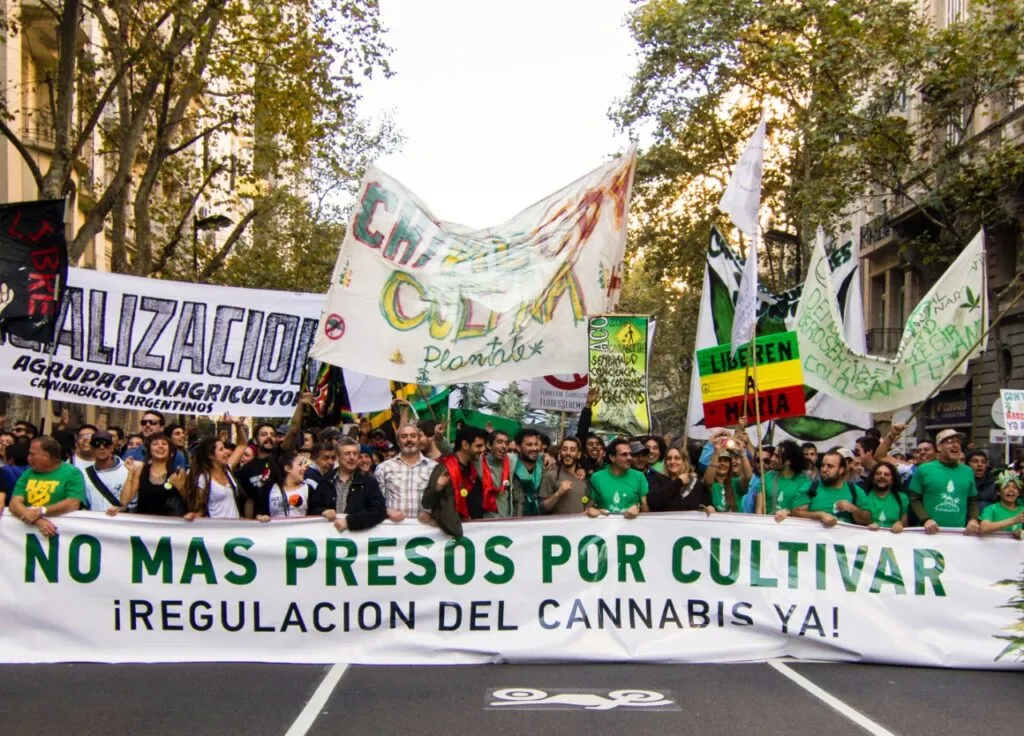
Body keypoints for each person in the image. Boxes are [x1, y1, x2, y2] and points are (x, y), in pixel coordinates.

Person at [8, 437, 87, 537]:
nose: (28, 457)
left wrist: (42, 511)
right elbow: (14, 503)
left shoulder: (72, 473)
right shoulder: (28, 473)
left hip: (60, 534)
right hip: (29, 534)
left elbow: (72, 503)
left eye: (32, 454)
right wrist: (38, 520)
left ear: (45, 456)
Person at [908, 429, 979, 535]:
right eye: (950, 442)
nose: (955, 445)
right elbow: (914, 499)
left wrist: (973, 519)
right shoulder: (924, 469)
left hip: (959, 534)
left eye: (958, 442)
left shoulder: (968, 471)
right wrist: (925, 519)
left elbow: (972, 501)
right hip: (930, 533)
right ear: (939, 447)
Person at [308, 436, 387, 531]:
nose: (352, 457)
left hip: (359, 538)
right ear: (338, 457)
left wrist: (349, 522)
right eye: (347, 454)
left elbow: (378, 511)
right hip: (329, 537)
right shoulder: (326, 480)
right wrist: (322, 511)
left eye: (355, 453)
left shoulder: (369, 482)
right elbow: (312, 508)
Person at [182, 419, 250, 520]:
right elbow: (199, 509)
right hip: (216, 530)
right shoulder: (203, 478)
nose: (226, 452)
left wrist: (237, 425)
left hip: (235, 528)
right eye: (221, 449)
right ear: (211, 455)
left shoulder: (227, 470)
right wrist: (193, 516)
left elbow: (242, 445)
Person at [374, 423, 436, 522]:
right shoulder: (384, 468)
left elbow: (440, 499)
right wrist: (387, 511)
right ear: (398, 442)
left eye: (413, 436)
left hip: (425, 529)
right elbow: (375, 501)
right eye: (404, 437)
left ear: (419, 439)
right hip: (394, 529)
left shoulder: (433, 468)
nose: (409, 440)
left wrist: (431, 513)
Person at [121, 434, 187, 517]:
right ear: (149, 451)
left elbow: (189, 502)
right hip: (145, 526)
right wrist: (131, 472)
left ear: (171, 453)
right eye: (155, 444)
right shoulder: (141, 470)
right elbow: (124, 501)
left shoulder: (179, 472)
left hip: (170, 526)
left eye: (164, 444)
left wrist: (180, 487)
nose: (160, 446)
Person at [586, 438, 649, 518]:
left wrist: (637, 508)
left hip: (632, 528)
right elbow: (588, 508)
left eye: (630, 454)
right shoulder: (596, 478)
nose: (629, 458)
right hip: (605, 528)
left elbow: (646, 511)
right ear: (612, 457)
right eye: (624, 454)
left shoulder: (639, 476)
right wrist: (596, 511)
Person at [791, 450, 856, 528]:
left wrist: (854, 509)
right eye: (822, 465)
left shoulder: (854, 490)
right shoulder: (809, 487)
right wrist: (820, 515)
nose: (824, 470)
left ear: (841, 469)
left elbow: (867, 519)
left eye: (830, 466)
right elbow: (796, 513)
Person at [647, 446, 714, 513]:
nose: (672, 461)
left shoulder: (696, 483)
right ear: (665, 462)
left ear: (685, 461)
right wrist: (679, 482)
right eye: (669, 458)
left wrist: (709, 508)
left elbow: (706, 504)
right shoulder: (658, 479)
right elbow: (653, 503)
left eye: (677, 458)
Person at [758, 440, 811, 520]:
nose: (772, 458)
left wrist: (788, 512)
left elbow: (803, 512)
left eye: (777, 456)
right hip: (767, 528)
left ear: (788, 461)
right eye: (773, 455)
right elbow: (759, 509)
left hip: (791, 529)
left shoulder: (804, 482)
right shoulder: (767, 477)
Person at [850, 461, 908, 532]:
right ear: (873, 478)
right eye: (878, 474)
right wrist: (867, 524)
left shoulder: (902, 497)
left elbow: (905, 522)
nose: (882, 476)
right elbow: (858, 520)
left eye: (886, 474)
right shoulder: (862, 495)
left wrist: (900, 523)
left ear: (892, 480)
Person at [477, 429, 523, 518]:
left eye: (506, 443)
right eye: (499, 442)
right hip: (483, 522)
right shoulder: (477, 462)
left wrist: (546, 457)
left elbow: (531, 456)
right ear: (489, 445)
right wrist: (440, 438)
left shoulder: (511, 460)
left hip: (505, 521)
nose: (504, 446)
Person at [80, 430, 129, 513]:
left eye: (106, 443)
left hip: (122, 522)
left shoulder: (127, 470)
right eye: (96, 444)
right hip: (95, 522)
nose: (101, 447)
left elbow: (134, 503)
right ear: (91, 448)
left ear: (112, 447)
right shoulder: (84, 475)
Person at [258, 449, 315, 520]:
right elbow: (259, 513)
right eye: (300, 464)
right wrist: (261, 517)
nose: (304, 468)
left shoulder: (309, 489)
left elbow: (316, 513)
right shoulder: (268, 489)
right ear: (287, 468)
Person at [702, 431, 751, 512]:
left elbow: (748, 477)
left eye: (726, 461)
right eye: (719, 460)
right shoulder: (711, 484)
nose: (723, 464)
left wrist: (742, 453)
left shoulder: (735, 483)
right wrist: (716, 454)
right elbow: (707, 481)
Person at [237, 423, 279, 516]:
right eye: (264, 434)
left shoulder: (281, 461)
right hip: (259, 524)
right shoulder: (247, 469)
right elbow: (249, 500)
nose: (269, 437)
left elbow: (293, 431)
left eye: (272, 435)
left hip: (281, 522)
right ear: (255, 440)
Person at [540, 436, 588, 514]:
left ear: (579, 455)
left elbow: (586, 506)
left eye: (572, 450)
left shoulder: (582, 478)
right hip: (557, 525)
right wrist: (558, 493)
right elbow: (542, 508)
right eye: (564, 449)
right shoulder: (550, 475)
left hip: (579, 525)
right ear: (560, 453)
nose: (568, 453)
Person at [978, 472, 1024, 539]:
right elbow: (983, 529)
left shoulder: (1022, 510)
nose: (1011, 490)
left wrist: (1021, 533)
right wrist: (1014, 520)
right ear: (998, 492)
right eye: (1006, 487)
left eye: (1015, 487)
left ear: (1019, 493)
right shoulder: (990, 509)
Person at [514, 428, 545, 516]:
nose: (535, 448)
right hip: (515, 523)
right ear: (518, 447)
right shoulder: (510, 470)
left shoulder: (545, 470)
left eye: (536, 444)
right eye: (529, 445)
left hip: (538, 523)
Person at [0, 439, 31, 509]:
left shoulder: (5, 470)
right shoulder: (35, 470)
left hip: (9, 509)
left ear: (11, 459)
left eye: (4, 456)